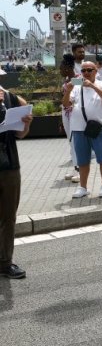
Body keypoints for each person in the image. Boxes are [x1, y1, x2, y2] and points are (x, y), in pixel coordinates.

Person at [62, 61, 102, 198]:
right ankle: (83, 187)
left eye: (89, 70)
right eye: (83, 70)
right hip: (78, 128)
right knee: (82, 160)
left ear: (95, 71)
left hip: (99, 128)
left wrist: (93, 86)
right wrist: (68, 91)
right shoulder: (77, 86)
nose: (85, 73)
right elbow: (66, 104)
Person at [0, 69, 33, 279]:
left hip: (10, 164)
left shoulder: (10, 98)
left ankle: (5, 262)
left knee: (8, 216)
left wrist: (26, 122)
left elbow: (20, 134)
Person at [59, 44, 86, 183]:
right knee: (71, 140)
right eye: (79, 51)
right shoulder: (68, 76)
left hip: (77, 110)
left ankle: (81, 172)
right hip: (67, 110)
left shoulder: (81, 70)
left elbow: (85, 82)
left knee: (76, 140)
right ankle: (75, 167)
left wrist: (72, 79)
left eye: (63, 68)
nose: (61, 70)